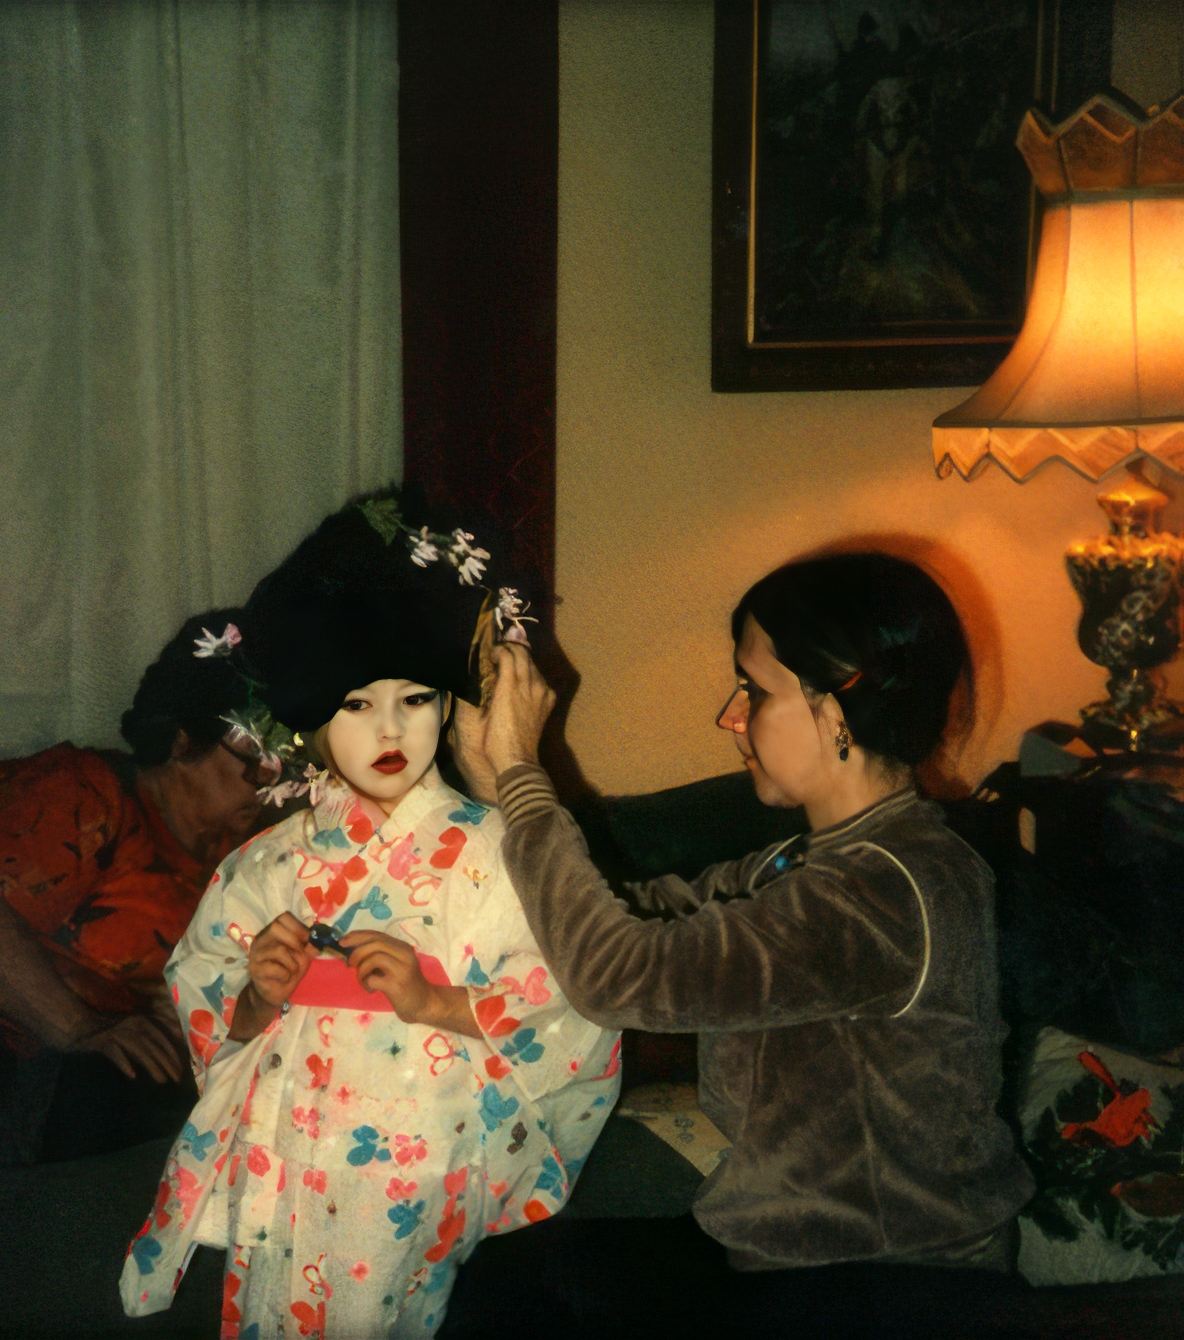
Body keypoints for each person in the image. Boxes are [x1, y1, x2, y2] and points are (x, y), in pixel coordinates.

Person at [447, 552, 1035, 1338]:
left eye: (754, 691)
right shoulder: (820, 860)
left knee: (515, 1293)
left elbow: (618, 975)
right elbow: (627, 916)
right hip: (796, 1263)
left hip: (890, 1288)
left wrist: (525, 773)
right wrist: (500, 789)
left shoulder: (890, 889)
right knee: (509, 1276)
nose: (731, 717)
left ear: (836, 711)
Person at [120, 492, 620, 1339]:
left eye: (415, 699)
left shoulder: (500, 850)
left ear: (450, 703)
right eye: (356, 705)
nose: (390, 729)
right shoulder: (268, 862)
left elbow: (575, 1001)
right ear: (310, 724)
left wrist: (434, 1004)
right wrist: (254, 1000)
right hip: (284, 1152)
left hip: (422, 1151)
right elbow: (202, 982)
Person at [0, 608, 272, 1164]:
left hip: (124, 1082)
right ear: (181, 739)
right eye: (253, 752)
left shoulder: (249, 853)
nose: (272, 781)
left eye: (288, 760)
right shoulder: (89, 795)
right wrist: (79, 1027)